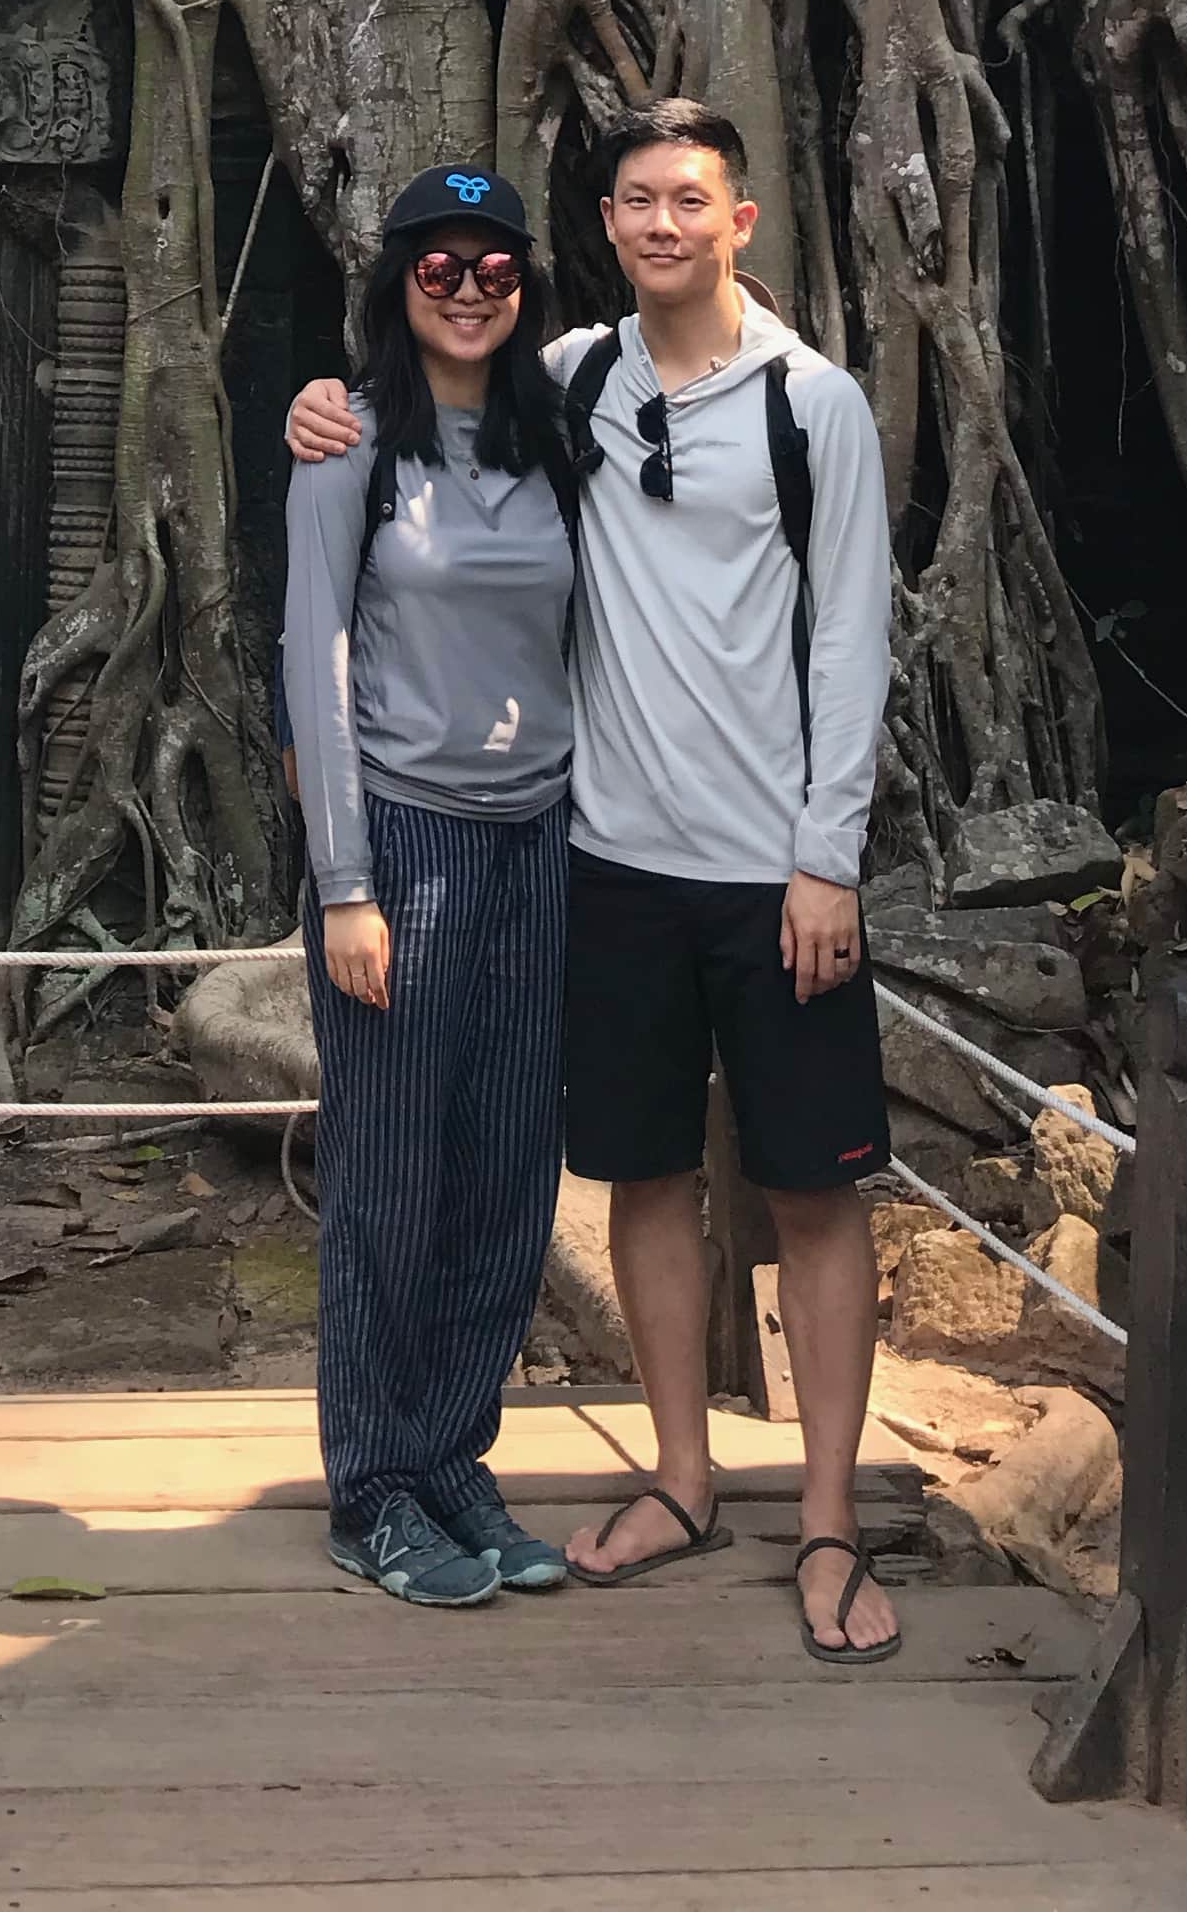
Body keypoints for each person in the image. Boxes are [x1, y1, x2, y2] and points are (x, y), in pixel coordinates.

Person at [286, 101, 903, 1666]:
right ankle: (454, 1482)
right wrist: (317, 408)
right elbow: (319, 634)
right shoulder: (541, 393)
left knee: (656, 1178)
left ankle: (787, 1514)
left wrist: (831, 852)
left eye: (690, 199)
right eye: (636, 202)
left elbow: (849, 636)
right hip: (560, 855)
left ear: (738, 219)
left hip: (728, 866)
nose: (474, 283)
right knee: (504, 1171)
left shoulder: (784, 404)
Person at [284, 165, 582, 1610]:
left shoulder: (558, 435)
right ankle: (374, 1484)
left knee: (507, 1172)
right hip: (404, 842)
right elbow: (313, 659)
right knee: (390, 1180)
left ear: (526, 288)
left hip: (543, 844)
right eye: (438, 266)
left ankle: (457, 1453)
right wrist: (345, 882)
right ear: (395, 281)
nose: (467, 289)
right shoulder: (348, 446)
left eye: (495, 268)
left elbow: (714, 332)